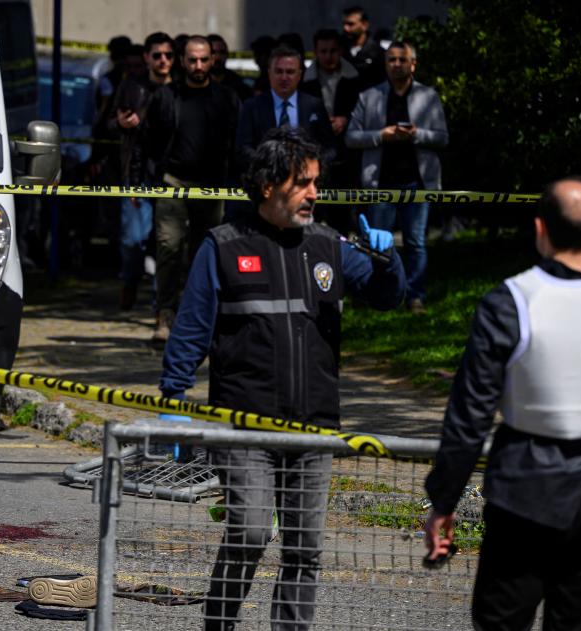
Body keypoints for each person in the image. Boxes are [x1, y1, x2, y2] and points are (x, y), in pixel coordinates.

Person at [159, 127, 405, 630]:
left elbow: (387, 297)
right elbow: (192, 327)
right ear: (269, 185)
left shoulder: (328, 244)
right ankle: (219, 625)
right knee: (250, 533)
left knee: (304, 550)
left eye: (316, 182)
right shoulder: (223, 246)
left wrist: (388, 260)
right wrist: (173, 398)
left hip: (315, 427)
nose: (314, 193)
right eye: (303, 182)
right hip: (245, 426)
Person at [423, 178, 581, 630]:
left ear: (539, 227)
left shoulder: (509, 303)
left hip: (524, 494)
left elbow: (469, 416)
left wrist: (444, 501)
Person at [143, 35, 241, 344]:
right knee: (169, 247)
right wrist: (146, 180)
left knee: (206, 252)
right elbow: (148, 140)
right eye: (192, 60)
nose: (198, 65)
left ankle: (199, 315)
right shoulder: (165, 96)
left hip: (212, 186)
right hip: (173, 181)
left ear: (213, 60)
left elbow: (236, 144)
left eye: (204, 59)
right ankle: (165, 313)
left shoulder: (227, 98)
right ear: (182, 61)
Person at [345, 41, 448, 314]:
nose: (397, 64)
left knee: (416, 243)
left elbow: (442, 137)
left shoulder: (428, 96)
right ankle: (377, 294)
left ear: (413, 64)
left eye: (402, 59)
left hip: (417, 183)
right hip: (380, 183)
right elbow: (351, 137)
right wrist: (382, 135)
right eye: (391, 60)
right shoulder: (369, 97)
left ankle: (415, 297)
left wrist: (416, 134)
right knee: (377, 243)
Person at [111, 32, 174, 310]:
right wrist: (122, 124)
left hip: (171, 175)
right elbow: (108, 124)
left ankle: (161, 304)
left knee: (166, 242)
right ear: (147, 57)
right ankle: (130, 280)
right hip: (137, 174)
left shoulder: (180, 89)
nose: (163, 60)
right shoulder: (132, 87)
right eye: (157, 55)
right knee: (133, 240)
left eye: (168, 55)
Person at [235, 45, 337, 176]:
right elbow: (243, 148)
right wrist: (269, 165)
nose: (284, 77)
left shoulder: (314, 105)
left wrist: (311, 165)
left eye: (290, 72)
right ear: (269, 73)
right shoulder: (252, 106)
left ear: (299, 75)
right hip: (266, 180)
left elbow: (330, 148)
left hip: (306, 179)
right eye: (278, 71)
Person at [301, 28, 363, 231]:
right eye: (323, 51)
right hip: (314, 152)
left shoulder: (354, 77)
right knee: (313, 213)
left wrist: (347, 119)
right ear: (316, 52)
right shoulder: (305, 80)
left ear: (341, 51)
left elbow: (364, 110)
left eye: (333, 51)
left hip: (347, 154)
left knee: (342, 215)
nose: (328, 56)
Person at [341, 5, 385, 89]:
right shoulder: (337, 50)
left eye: (351, 24)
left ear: (364, 25)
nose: (345, 28)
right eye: (344, 24)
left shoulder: (377, 53)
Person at [207, 33, 253, 102]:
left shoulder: (237, 84)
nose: (217, 57)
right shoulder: (197, 82)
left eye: (222, 52)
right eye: (213, 52)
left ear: (227, 55)